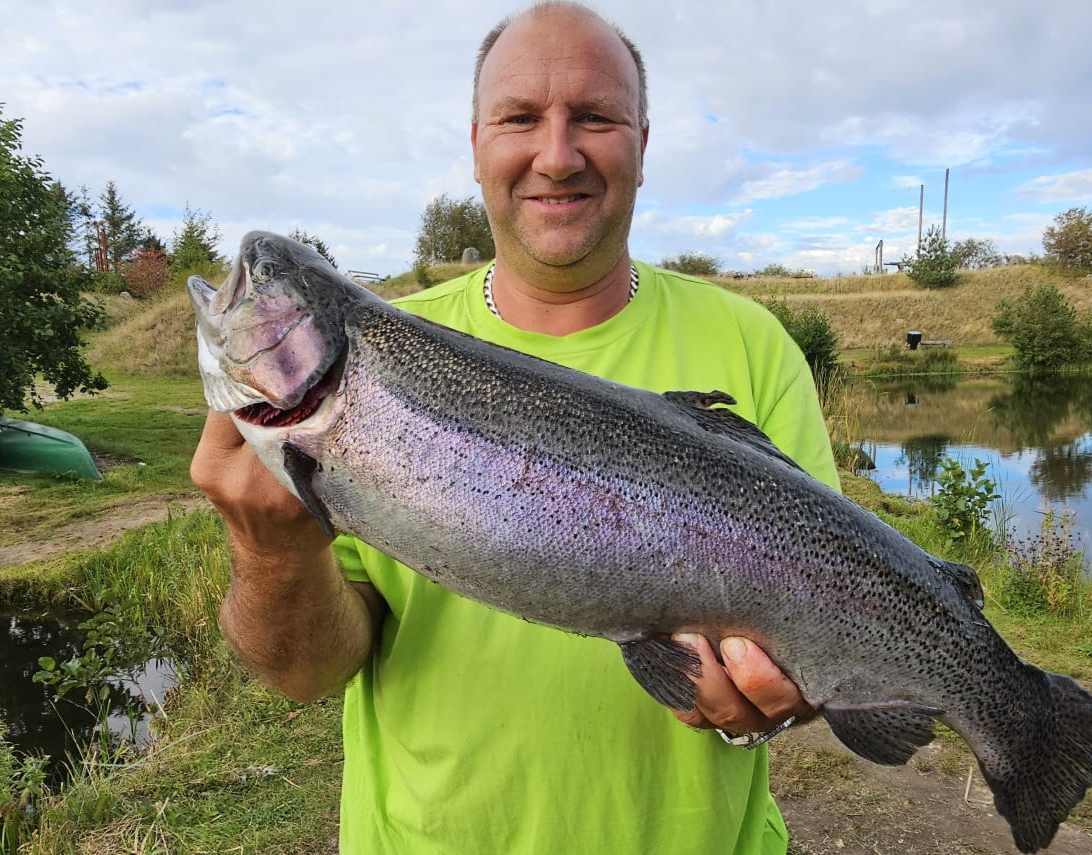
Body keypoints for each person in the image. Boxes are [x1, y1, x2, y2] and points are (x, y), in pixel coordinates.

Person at [190, 3, 841, 852]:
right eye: (520, 117)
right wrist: (273, 554)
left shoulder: (754, 344)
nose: (557, 154)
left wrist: (782, 702)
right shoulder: (393, 349)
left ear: (644, 142)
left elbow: (836, 605)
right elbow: (304, 674)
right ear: (476, 144)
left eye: (595, 116)